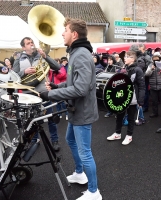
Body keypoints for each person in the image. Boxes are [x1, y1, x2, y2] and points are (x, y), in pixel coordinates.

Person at [40, 17, 102, 200]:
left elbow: (81, 89)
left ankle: (94, 191)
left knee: (85, 152)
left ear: (74, 34)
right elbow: (72, 82)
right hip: (76, 111)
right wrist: (56, 87)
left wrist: (49, 95)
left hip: (82, 112)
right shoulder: (75, 53)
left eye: (65, 30)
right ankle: (79, 173)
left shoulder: (81, 54)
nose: (62, 33)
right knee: (70, 140)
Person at [12, 37, 61, 152]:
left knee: (51, 118)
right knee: (31, 120)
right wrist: (24, 72)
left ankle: (54, 140)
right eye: (28, 44)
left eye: (32, 42)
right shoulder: (18, 59)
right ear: (23, 47)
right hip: (28, 94)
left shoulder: (41, 56)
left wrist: (45, 56)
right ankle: (34, 141)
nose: (31, 45)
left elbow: (57, 67)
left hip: (44, 92)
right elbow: (13, 76)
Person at [106, 50, 145, 145]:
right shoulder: (124, 68)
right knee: (119, 115)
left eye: (127, 56)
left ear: (132, 59)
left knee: (131, 117)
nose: (125, 58)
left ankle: (129, 136)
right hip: (122, 97)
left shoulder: (137, 70)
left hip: (133, 98)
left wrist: (140, 100)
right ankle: (117, 133)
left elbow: (141, 86)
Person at [145, 52, 161, 118]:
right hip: (153, 86)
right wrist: (151, 69)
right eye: (154, 58)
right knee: (154, 101)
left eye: (157, 58)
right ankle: (154, 112)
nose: (156, 60)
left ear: (160, 58)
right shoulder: (150, 65)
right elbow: (146, 74)